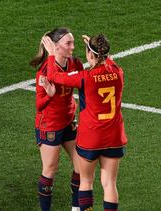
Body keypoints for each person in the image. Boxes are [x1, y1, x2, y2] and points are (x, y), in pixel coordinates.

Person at [42, 34, 127, 211]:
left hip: (91, 138)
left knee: (86, 182)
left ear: (90, 55)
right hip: (114, 137)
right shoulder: (118, 72)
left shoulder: (84, 78)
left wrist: (51, 53)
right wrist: (97, 49)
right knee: (109, 183)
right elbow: (109, 61)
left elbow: (53, 75)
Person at [30, 27, 82, 211]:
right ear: (55, 47)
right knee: (50, 169)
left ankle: (76, 208)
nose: (73, 47)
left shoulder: (75, 63)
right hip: (50, 125)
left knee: (81, 165)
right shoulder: (44, 73)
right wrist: (50, 94)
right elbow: (39, 105)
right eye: (68, 43)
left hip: (68, 121)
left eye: (73, 42)